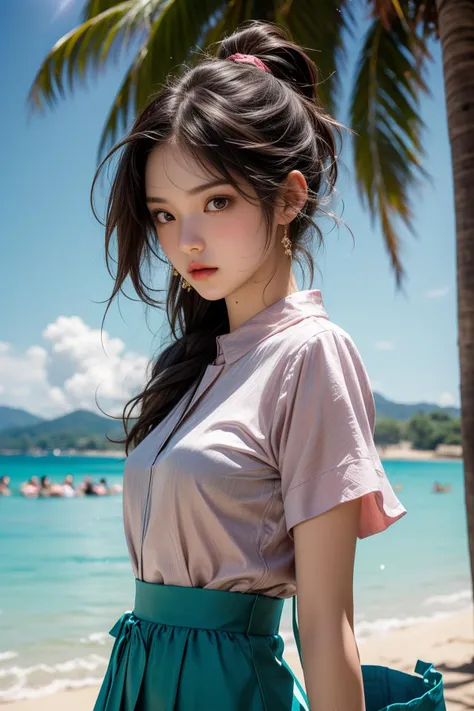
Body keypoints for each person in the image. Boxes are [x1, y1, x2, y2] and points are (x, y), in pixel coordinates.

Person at [90, 21, 437, 711]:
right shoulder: (194, 367)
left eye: (216, 201)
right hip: (136, 682)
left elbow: (325, 619)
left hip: (229, 691)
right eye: (164, 213)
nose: (185, 241)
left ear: (288, 197)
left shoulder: (312, 354)